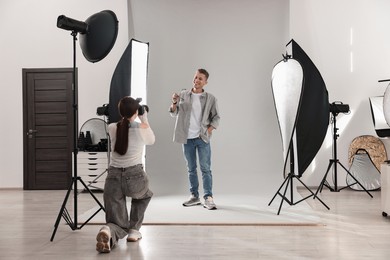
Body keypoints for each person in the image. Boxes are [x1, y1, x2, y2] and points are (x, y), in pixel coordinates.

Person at [96, 96, 155, 253]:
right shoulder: (141, 129)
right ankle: (134, 231)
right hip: (135, 177)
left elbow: (124, 124)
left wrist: (133, 110)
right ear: (136, 111)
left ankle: (108, 231)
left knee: (117, 221)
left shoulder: (111, 128)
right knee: (143, 196)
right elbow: (151, 140)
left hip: (113, 178)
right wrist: (144, 117)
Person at [169, 68, 220, 210]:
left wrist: (208, 130)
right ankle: (194, 196)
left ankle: (208, 197)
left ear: (205, 82)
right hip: (187, 138)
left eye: (200, 79)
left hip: (202, 138)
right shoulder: (184, 95)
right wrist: (174, 102)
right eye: (196, 77)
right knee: (191, 169)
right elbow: (174, 113)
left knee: (205, 169)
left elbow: (216, 117)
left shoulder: (210, 98)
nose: (197, 80)